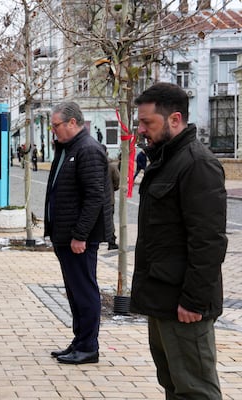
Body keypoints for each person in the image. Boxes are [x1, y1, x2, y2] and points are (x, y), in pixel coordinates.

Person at [131, 82, 227, 399]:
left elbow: (209, 242)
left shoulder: (197, 163)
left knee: (196, 390)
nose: (141, 130)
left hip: (185, 305)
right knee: (173, 385)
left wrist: (194, 300)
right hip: (162, 299)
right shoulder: (165, 159)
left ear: (174, 119)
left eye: (148, 123)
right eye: (140, 122)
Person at [44, 101, 114, 365]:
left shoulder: (88, 150)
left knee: (84, 290)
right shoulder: (68, 148)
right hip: (65, 234)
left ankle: (88, 347)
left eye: (56, 126)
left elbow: (95, 197)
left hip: (79, 238)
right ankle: (79, 340)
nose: (54, 131)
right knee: (74, 291)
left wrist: (81, 235)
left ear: (73, 123)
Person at [103, 145, 119, 250]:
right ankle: (111, 241)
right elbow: (117, 180)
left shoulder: (94, 164)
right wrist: (113, 189)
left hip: (94, 199)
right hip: (109, 199)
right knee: (109, 220)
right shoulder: (112, 166)